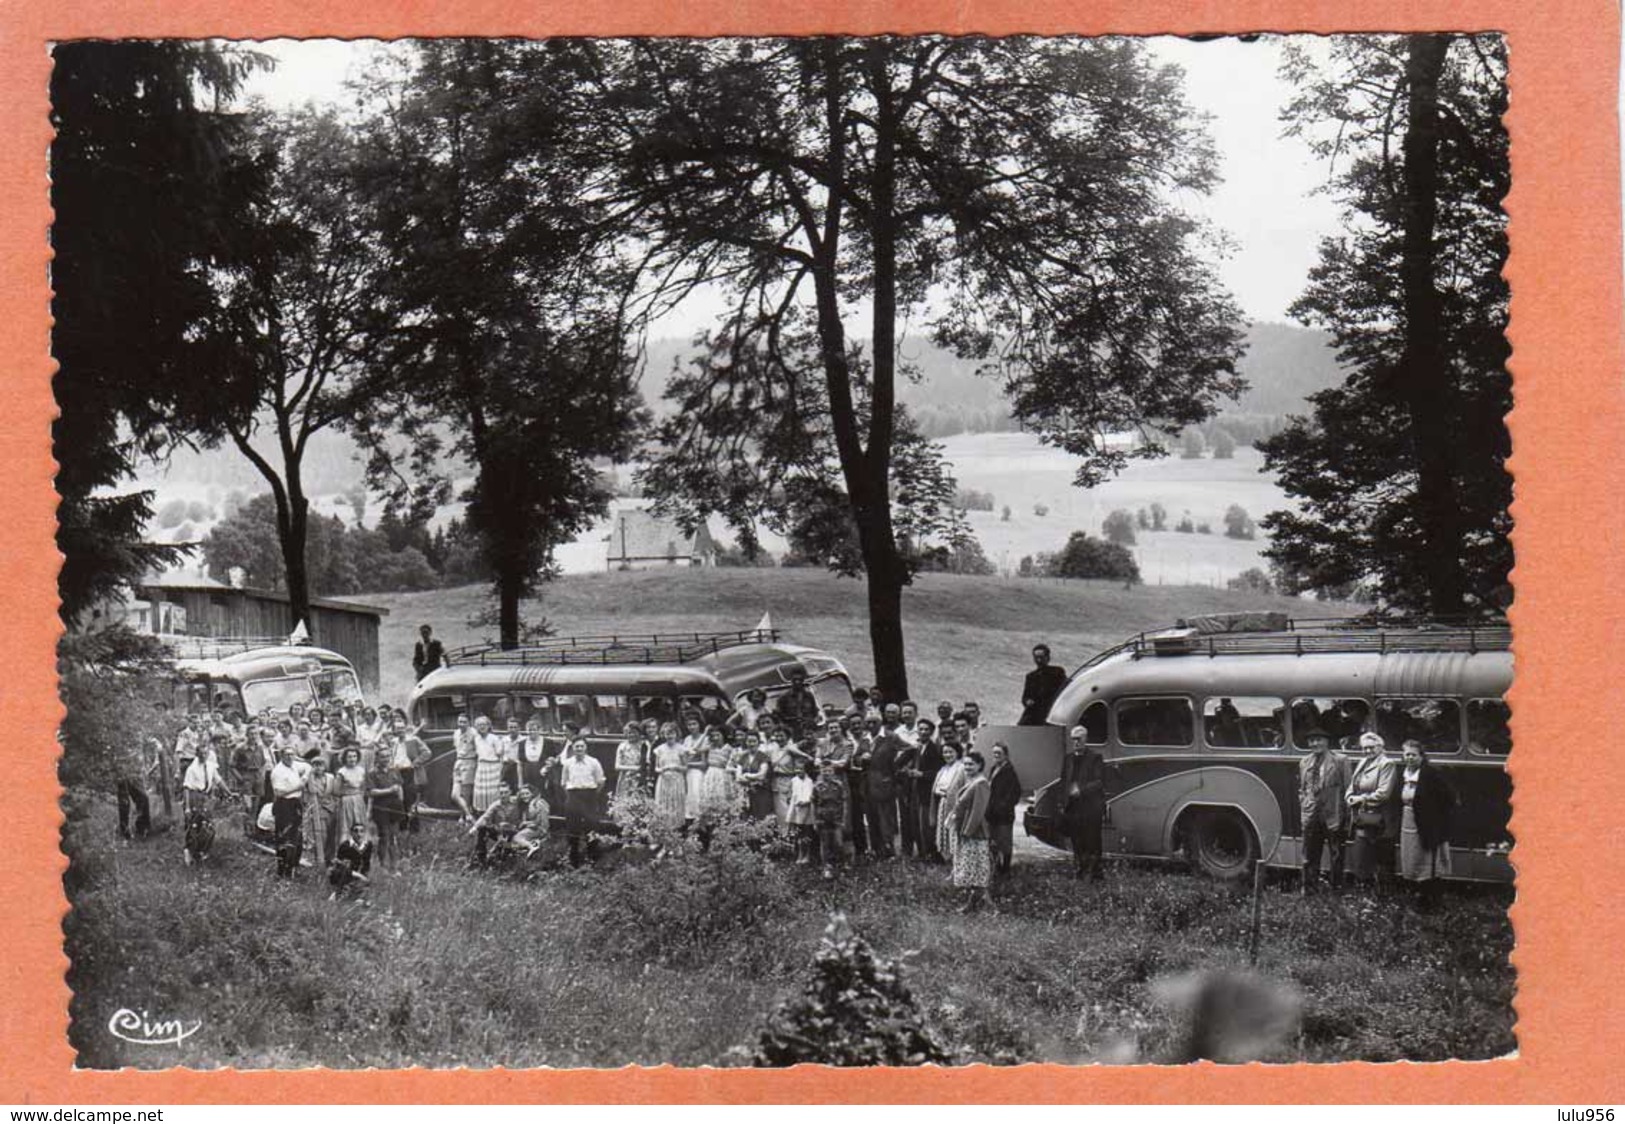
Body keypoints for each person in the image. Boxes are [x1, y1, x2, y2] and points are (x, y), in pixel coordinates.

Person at [1397, 740, 1456, 903]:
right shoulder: (1404, 773)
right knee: (1412, 856)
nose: (1410, 758)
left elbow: (1450, 798)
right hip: (1408, 821)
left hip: (1428, 823)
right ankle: (1417, 891)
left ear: (1422, 756)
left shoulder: (1431, 773)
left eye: (1413, 755)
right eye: (1407, 754)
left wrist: (1436, 818)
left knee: (1428, 859)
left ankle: (1430, 896)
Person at [1298, 723, 1351, 893]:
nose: (1315, 744)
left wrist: (1345, 815)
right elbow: (1302, 787)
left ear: (1327, 742)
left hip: (1333, 814)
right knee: (1309, 855)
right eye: (1312, 741)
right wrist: (1305, 803)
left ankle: (1336, 889)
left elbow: (1348, 788)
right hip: (1311, 814)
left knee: (1336, 855)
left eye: (1318, 740)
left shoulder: (1340, 760)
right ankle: (1309, 889)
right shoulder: (1304, 761)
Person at [1345, 731, 1400, 890]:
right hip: (1363, 818)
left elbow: (1383, 794)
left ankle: (1384, 893)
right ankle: (1365, 890)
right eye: (1364, 748)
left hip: (1380, 819)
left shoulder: (1386, 764)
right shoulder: (1363, 762)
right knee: (1363, 855)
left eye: (1371, 748)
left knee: (1382, 857)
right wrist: (1349, 797)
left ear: (1380, 747)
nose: (1367, 751)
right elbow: (1352, 785)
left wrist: (1360, 799)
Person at [1061, 724, 1107, 880]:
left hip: (1091, 809)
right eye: (1073, 739)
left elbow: (1099, 782)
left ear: (1085, 739)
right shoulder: (1068, 759)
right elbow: (1063, 782)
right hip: (1073, 809)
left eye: (1078, 739)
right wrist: (1062, 803)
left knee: (1092, 842)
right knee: (1077, 841)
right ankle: (1080, 872)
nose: (1075, 743)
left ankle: (1094, 875)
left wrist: (1081, 790)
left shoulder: (1095, 758)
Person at [951, 751, 994, 912]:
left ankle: (987, 907)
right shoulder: (972, 780)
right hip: (967, 830)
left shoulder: (981, 783)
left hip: (975, 832)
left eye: (971, 764)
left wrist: (967, 831)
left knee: (977, 870)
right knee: (972, 870)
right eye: (966, 764)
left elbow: (978, 811)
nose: (967, 767)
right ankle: (974, 904)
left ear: (980, 765)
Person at [864, 706, 904, 858]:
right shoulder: (865, 738)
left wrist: (893, 770)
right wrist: (861, 758)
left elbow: (909, 749)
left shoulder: (890, 736)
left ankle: (889, 850)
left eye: (874, 722)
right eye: (868, 722)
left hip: (884, 783)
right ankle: (875, 849)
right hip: (868, 784)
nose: (871, 726)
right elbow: (856, 757)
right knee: (872, 817)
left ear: (880, 722)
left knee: (885, 818)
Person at [560, 737, 606, 866]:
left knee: (591, 825)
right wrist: (572, 795)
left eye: (581, 746)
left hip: (589, 796)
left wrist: (592, 795)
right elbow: (563, 783)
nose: (579, 749)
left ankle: (592, 855)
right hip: (573, 796)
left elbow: (600, 781)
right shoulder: (568, 763)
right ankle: (573, 856)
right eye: (576, 746)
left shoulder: (594, 762)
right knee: (572, 826)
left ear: (586, 748)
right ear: (573, 748)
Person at [269, 742, 309, 878]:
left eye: (292, 754)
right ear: (281, 756)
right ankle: (282, 870)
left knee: (297, 836)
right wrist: (298, 786)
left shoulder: (295, 765)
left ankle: (293, 867)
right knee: (283, 837)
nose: (290, 757)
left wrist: (304, 777)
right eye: (287, 755)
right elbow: (278, 792)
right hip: (283, 804)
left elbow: (308, 767)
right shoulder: (277, 771)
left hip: (296, 803)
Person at [366, 742, 405, 871]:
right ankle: (383, 866)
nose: (386, 759)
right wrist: (389, 790)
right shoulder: (372, 773)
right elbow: (371, 792)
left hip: (395, 807)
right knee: (384, 836)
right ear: (377, 758)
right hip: (381, 808)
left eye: (388, 756)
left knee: (395, 836)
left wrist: (401, 804)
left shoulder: (394, 770)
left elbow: (399, 788)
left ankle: (395, 867)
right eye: (383, 757)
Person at [986, 742, 1023, 874]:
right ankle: (996, 867)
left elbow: (1016, 793)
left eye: (999, 753)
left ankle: (1006, 869)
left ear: (1006, 755)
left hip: (1004, 814)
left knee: (1005, 842)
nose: (996, 755)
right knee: (993, 840)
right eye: (994, 753)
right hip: (992, 813)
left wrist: (1003, 806)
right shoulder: (993, 769)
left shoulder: (1009, 771)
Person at [911, 719, 944, 861]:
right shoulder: (916, 747)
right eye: (921, 729)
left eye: (926, 729)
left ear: (931, 732)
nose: (923, 732)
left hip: (927, 792)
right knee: (916, 823)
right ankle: (921, 852)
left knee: (927, 824)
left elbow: (938, 771)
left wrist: (922, 774)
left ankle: (930, 853)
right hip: (914, 791)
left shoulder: (934, 749)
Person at [113, 731, 155, 841]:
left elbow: (149, 744)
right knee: (124, 803)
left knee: (143, 798)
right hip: (122, 771)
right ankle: (125, 830)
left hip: (136, 773)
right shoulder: (119, 731)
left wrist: (146, 765)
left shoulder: (139, 732)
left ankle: (142, 828)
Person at [933, 740, 968, 865]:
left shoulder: (962, 768)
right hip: (943, 804)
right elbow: (936, 787)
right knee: (945, 830)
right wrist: (940, 792)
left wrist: (951, 794)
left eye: (950, 752)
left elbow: (966, 787)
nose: (947, 755)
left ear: (957, 753)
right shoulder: (943, 769)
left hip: (956, 805)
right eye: (945, 752)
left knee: (955, 831)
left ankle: (958, 860)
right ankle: (947, 859)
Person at [394, 717, 431, 834]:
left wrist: (415, 763)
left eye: (401, 728)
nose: (399, 730)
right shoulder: (393, 742)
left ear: (405, 728)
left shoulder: (413, 740)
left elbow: (427, 753)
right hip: (397, 773)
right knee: (400, 801)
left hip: (410, 773)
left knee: (411, 801)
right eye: (397, 728)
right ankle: (403, 828)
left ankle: (414, 829)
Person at [812, 760, 847, 880]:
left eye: (829, 771)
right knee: (825, 844)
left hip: (836, 818)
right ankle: (827, 867)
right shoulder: (817, 786)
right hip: (822, 818)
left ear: (833, 771)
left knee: (838, 843)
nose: (827, 773)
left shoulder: (839, 785)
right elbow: (813, 804)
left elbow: (843, 802)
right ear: (820, 771)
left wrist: (843, 819)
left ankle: (839, 867)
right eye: (824, 771)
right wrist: (815, 820)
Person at [303, 754, 338, 869]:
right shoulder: (309, 778)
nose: (318, 768)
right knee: (320, 834)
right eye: (315, 765)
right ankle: (319, 858)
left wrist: (335, 805)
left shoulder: (331, 777)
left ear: (325, 766)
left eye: (320, 765)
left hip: (330, 807)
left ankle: (330, 858)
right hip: (316, 808)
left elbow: (335, 793)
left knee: (331, 834)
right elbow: (306, 793)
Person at [651, 722, 688, 830]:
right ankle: (664, 831)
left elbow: (685, 767)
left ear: (677, 734)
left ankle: (676, 831)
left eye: (672, 733)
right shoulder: (659, 749)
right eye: (667, 733)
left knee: (676, 804)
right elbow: (656, 768)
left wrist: (675, 767)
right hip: (664, 780)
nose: (670, 736)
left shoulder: (682, 749)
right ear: (663, 735)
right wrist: (662, 769)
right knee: (664, 804)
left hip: (677, 780)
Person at [1025, 644, 1071, 726]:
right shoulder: (1031, 676)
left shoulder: (1057, 672)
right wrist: (1027, 701)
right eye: (1036, 657)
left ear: (1048, 658)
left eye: (1041, 657)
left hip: (1052, 709)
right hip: (1035, 711)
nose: (1039, 660)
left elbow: (1067, 688)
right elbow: (1025, 697)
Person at [469, 715, 505, 815]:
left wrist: (500, 770)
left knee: (493, 792)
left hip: (493, 767)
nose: (482, 727)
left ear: (489, 726)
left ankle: (494, 814)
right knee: (481, 792)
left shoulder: (494, 738)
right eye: (479, 725)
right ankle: (482, 814)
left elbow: (500, 755)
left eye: (484, 724)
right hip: (481, 767)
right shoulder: (476, 739)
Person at [735, 730, 774, 819]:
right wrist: (745, 778)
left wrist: (748, 775)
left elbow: (762, 775)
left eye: (754, 741)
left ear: (758, 742)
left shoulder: (763, 756)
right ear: (746, 742)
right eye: (749, 741)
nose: (751, 744)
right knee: (745, 816)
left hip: (760, 792)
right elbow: (738, 776)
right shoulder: (742, 756)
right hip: (745, 792)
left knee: (760, 816)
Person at [328, 822, 373, 899]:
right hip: (346, 874)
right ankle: (339, 892)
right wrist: (359, 876)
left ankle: (357, 895)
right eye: (356, 831)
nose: (359, 834)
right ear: (351, 833)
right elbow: (340, 867)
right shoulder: (346, 846)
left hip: (359, 875)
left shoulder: (368, 846)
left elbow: (366, 863)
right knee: (345, 879)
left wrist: (365, 876)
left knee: (366, 885)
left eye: (361, 831)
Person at [680, 712, 708, 824]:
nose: (691, 727)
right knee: (689, 797)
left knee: (697, 795)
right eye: (689, 725)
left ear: (699, 724)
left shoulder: (705, 739)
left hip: (698, 772)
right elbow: (686, 757)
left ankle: (699, 822)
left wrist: (688, 764)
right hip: (687, 773)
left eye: (694, 724)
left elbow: (703, 763)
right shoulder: (687, 739)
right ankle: (689, 822)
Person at [613, 723, 647, 808]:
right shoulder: (622, 746)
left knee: (638, 803)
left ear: (639, 733)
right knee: (624, 802)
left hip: (639, 778)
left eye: (634, 732)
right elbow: (617, 766)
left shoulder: (643, 745)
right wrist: (634, 768)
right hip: (625, 778)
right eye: (629, 732)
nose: (631, 735)